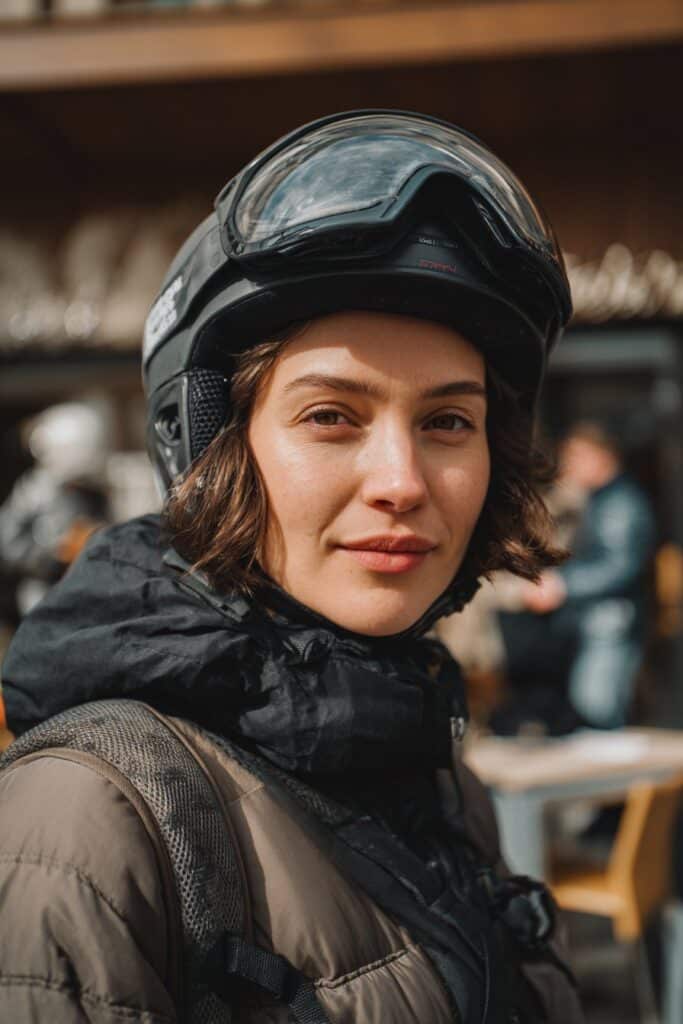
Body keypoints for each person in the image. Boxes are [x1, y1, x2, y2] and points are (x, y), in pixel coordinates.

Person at [0, 111, 582, 1022]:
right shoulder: (88, 821)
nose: (402, 482)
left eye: (446, 421)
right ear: (212, 449)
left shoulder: (432, 764)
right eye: (330, 417)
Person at [519, 419, 656, 729]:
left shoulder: (619, 504)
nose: (569, 465)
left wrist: (563, 585)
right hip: (599, 618)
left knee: (597, 706)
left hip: (610, 619)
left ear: (603, 456)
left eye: (576, 456)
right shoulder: (599, 500)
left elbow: (620, 565)